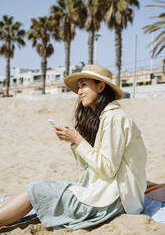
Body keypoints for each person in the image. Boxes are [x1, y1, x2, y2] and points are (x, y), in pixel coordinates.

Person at [0, 64, 147, 230]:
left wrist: (78, 140)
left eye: (83, 85)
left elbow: (107, 168)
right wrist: (74, 142)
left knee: (34, 190)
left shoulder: (115, 117)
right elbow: (90, 166)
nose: (79, 92)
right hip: (103, 194)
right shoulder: (106, 116)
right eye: (78, 87)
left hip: (111, 201)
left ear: (100, 86)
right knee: (32, 189)